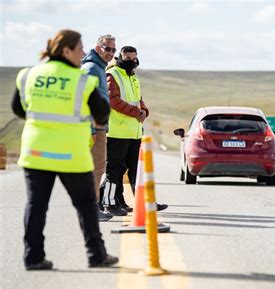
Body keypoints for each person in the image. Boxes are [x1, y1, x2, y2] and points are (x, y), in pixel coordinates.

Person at [11, 29, 118, 270]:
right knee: (86, 205)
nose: (83, 53)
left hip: (36, 153)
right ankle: (96, 255)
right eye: (80, 48)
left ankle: (33, 257)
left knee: (36, 206)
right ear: (66, 50)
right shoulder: (83, 80)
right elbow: (102, 113)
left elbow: (19, 109)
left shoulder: (28, 75)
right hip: (71, 154)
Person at [100, 46, 168, 214]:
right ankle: (109, 203)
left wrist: (144, 111)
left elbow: (138, 99)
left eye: (133, 58)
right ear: (119, 57)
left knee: (135, 170)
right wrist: (136, 112)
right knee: (114, 170)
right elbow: (113, 100)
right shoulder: (113, 74)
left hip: (135, 131)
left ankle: (142, 202)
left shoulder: (132, 76)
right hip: (117, 132)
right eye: (127, 57)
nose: (131, 61)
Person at [81, 34, 116, 222]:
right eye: (107, 48)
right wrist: (92, 130)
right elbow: (83, 99)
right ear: (97, 48)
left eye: (113, 50)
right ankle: (91, 210)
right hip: (94, 127)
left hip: (99, 126)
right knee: (96, 168)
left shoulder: (99, 68)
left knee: (97, 168)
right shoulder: (92, 68)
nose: (110, 53)